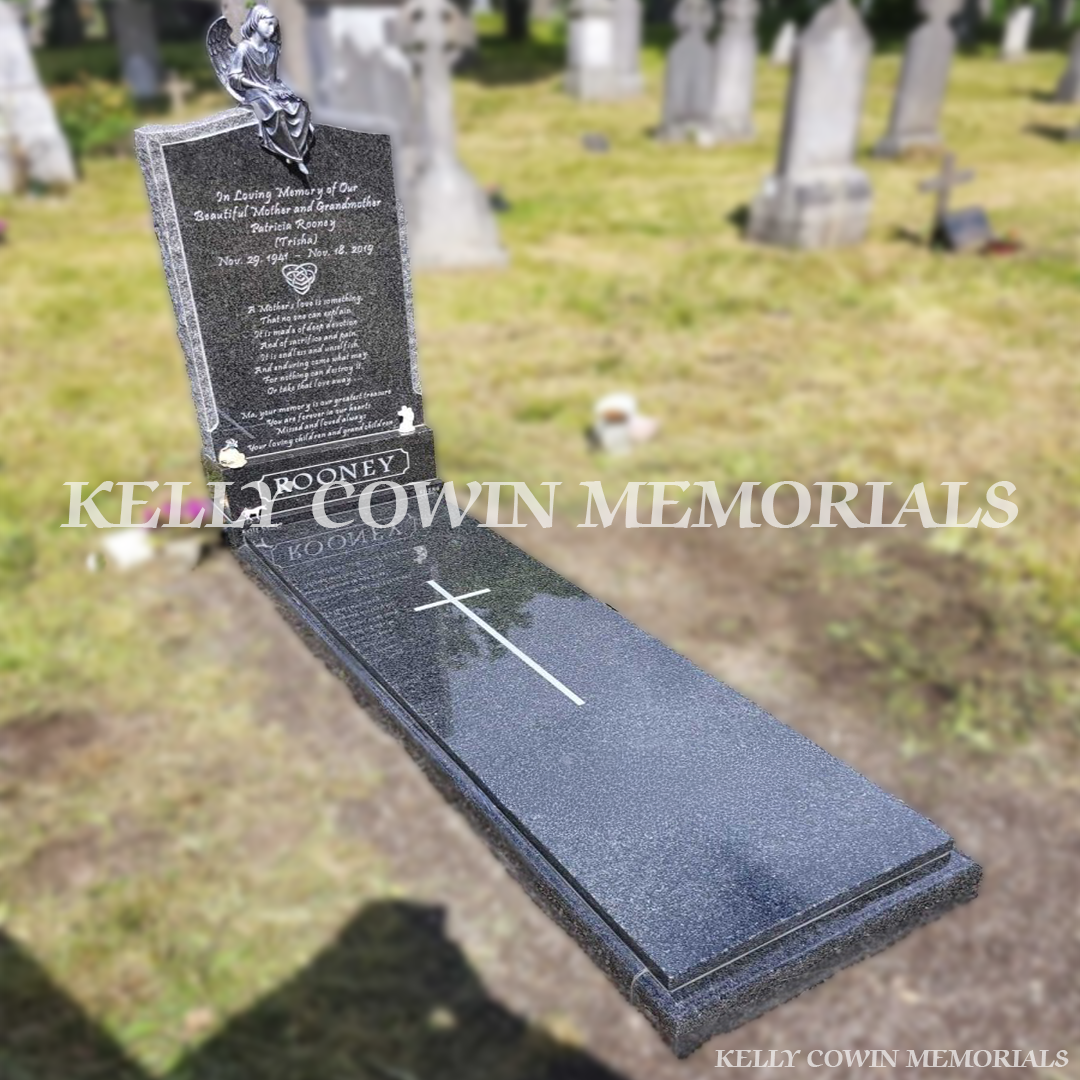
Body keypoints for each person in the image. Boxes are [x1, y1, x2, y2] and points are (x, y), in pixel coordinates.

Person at [228, 5, 314, 174]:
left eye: (273, 24)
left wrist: (286, 90)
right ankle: (296, 158)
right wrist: (263, 87)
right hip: (254, 91)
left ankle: (292, 149)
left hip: (273, 88)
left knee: (300, 105)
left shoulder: (273, 49)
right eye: (267, 23)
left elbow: (275, 77)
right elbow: (234, 77)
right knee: (276, 111)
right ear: (254, 23)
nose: (272, 28)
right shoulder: (244, 48)